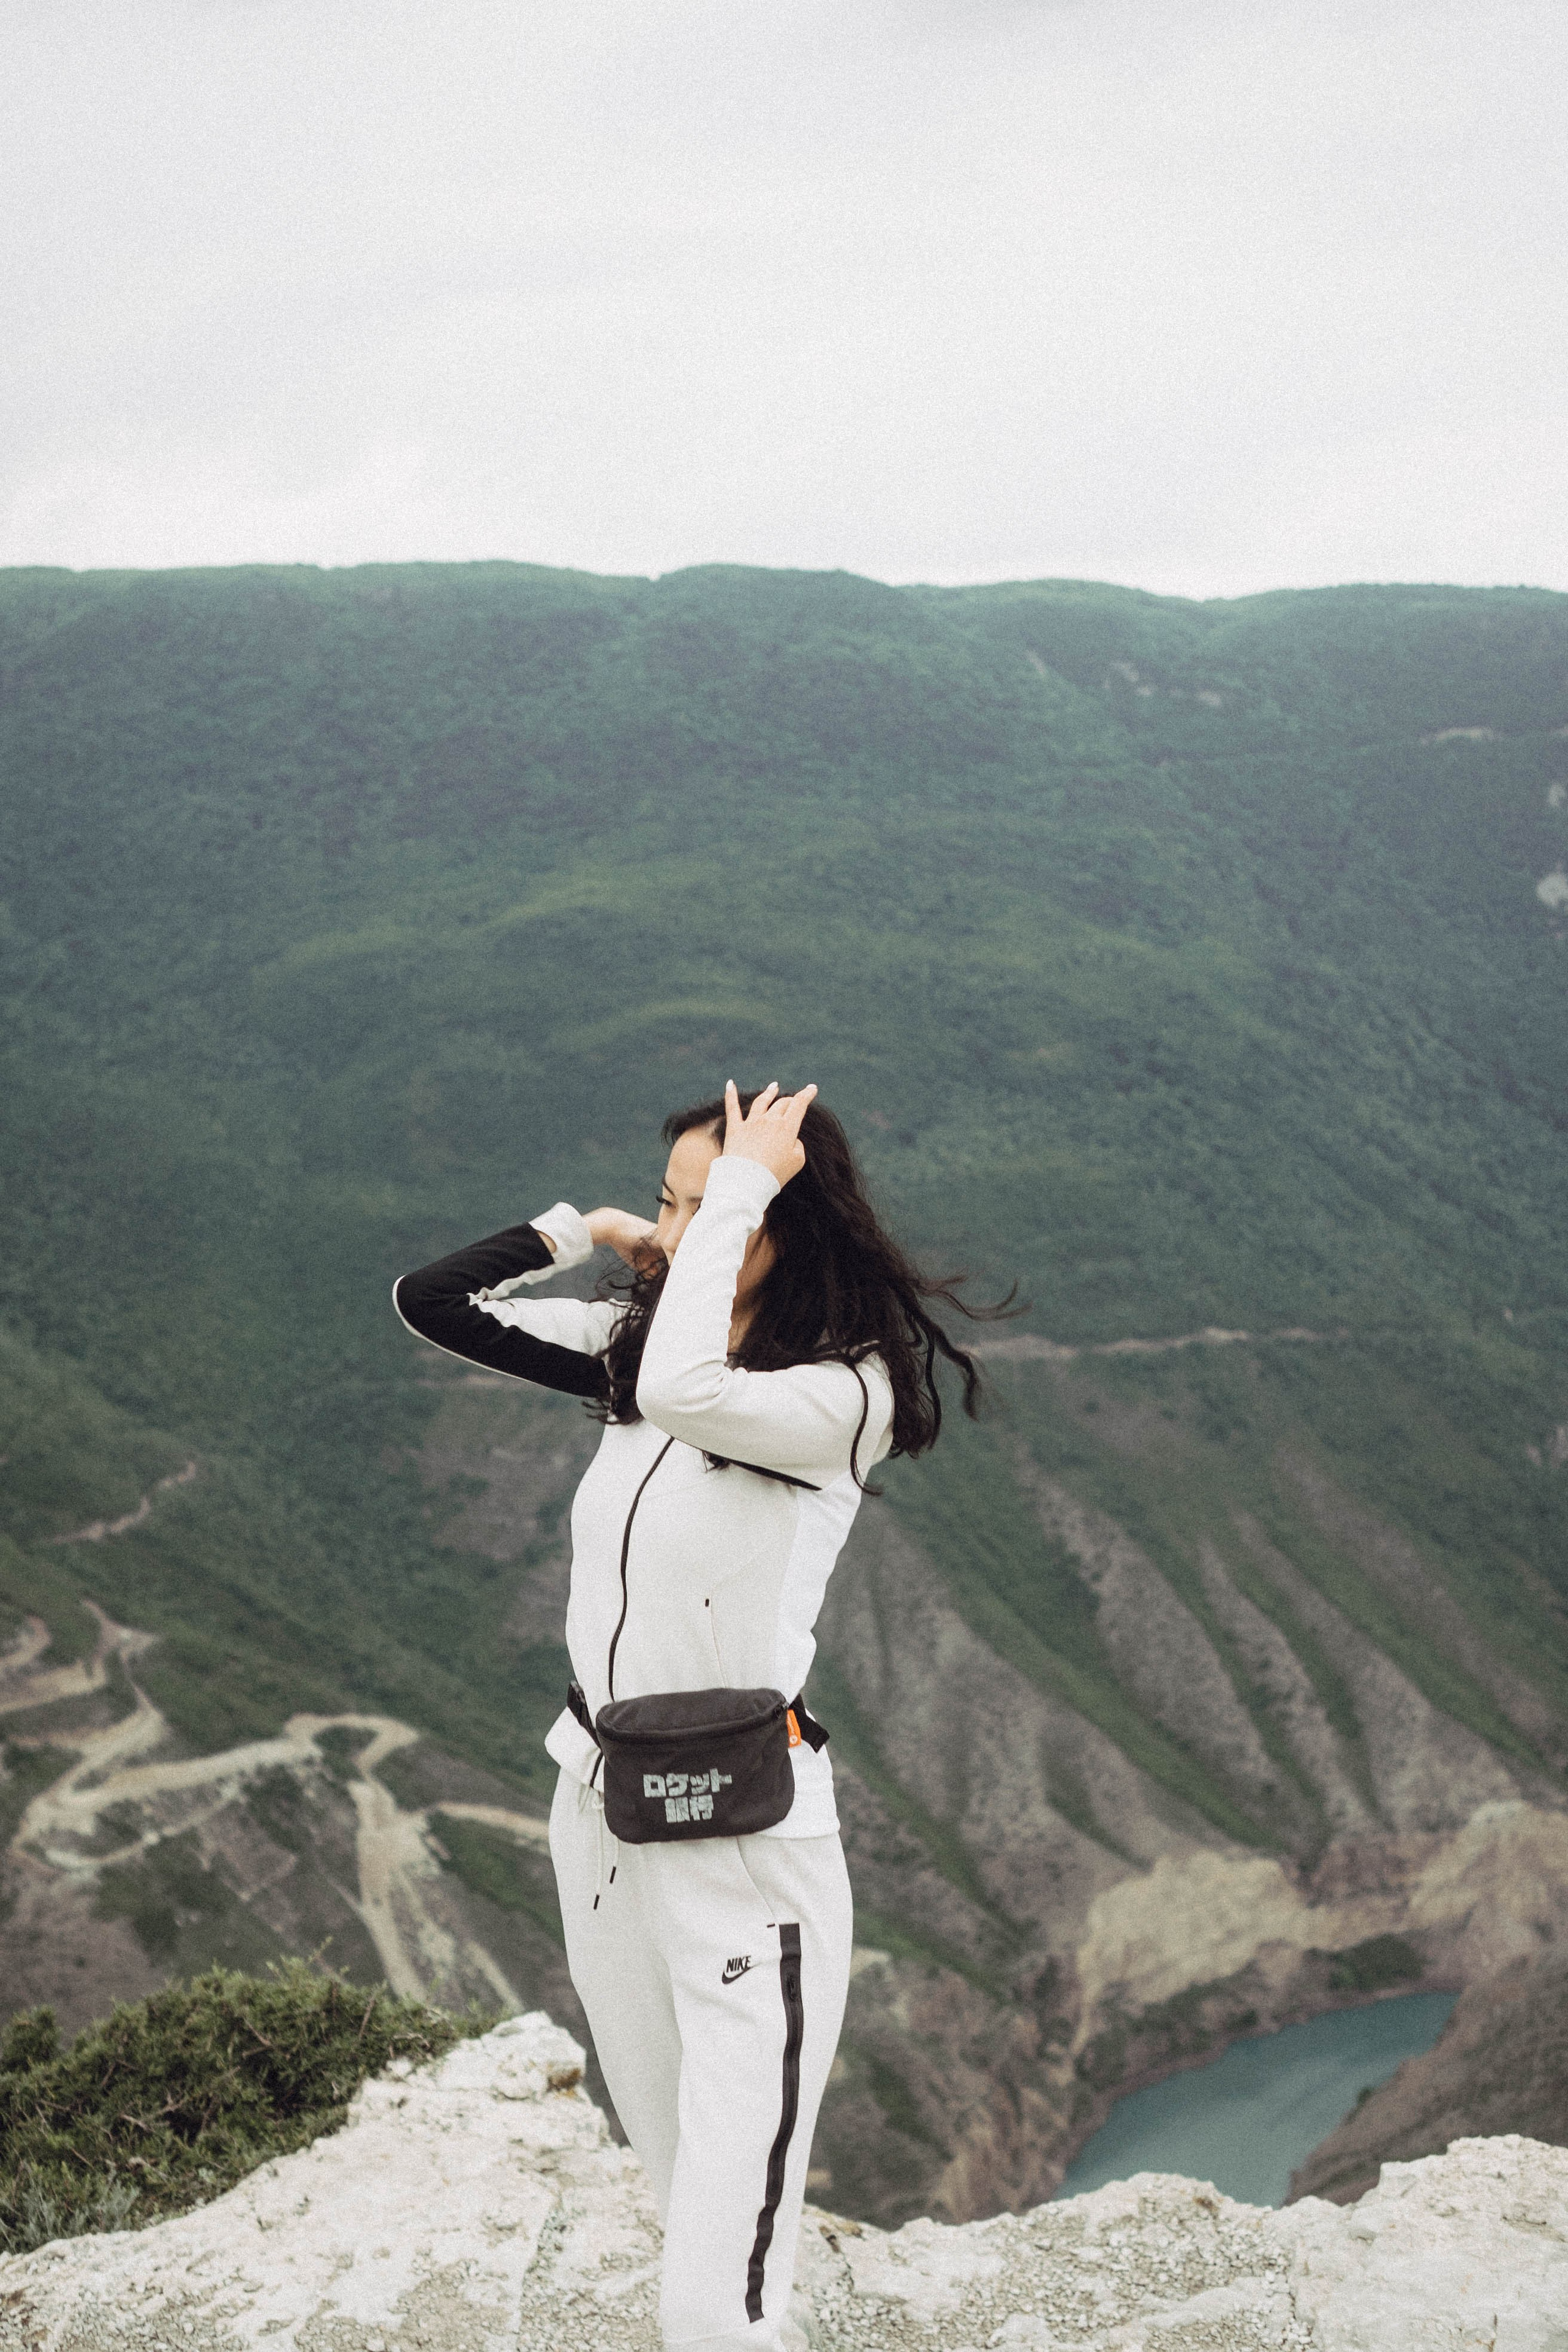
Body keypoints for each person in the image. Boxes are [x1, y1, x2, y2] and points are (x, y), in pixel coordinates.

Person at [393, 1080, 1000, 2352]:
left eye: (712, 1207)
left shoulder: (839, 1400)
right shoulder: (642, 1355)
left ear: (789, 1221)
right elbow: (434, 1302)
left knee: (709, 2296)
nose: (674, 1237)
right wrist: (585, 1229)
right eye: (669, 1204)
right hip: (602, 1813)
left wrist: (728, 1195)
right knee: (684, 2201)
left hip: (738, 1848)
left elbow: (686, 1391)